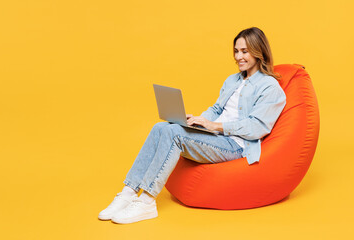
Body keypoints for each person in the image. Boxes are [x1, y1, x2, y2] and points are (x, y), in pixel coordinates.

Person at [98, 27, 286, 224]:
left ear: (259, 51)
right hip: (216, 136)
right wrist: (197, 122)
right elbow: (216, 108)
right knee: (161, 127)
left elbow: (257, 127)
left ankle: (147, 201)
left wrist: (214, 126)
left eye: (244, 51)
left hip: (237, 146)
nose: (239, 56)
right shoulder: (232, 80)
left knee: (175, 135)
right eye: (236, 51)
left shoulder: (270, 87)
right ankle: (128, 193)